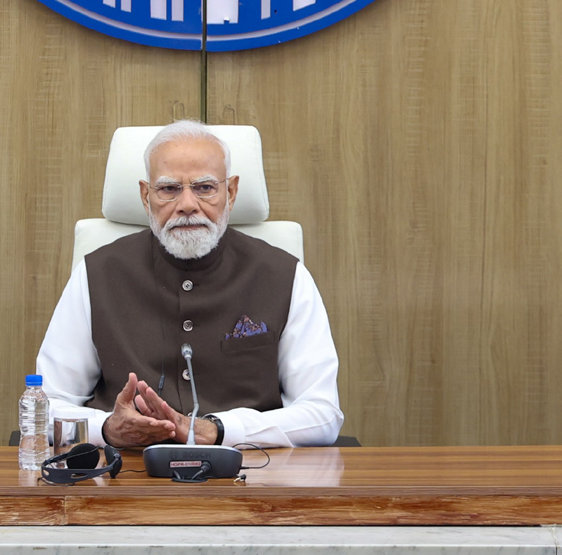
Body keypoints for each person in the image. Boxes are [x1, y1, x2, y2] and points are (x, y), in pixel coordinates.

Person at [35, 120, 343, 448]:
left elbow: (322, 414)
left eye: (205, 187)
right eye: (169, 189)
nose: (187, 204)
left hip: (251, 481)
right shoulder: (97, 274)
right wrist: (108, 429)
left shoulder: (284, 276)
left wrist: (220, 430)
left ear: (232, 192)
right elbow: (44, 408)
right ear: (145, 196)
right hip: (126, 479)